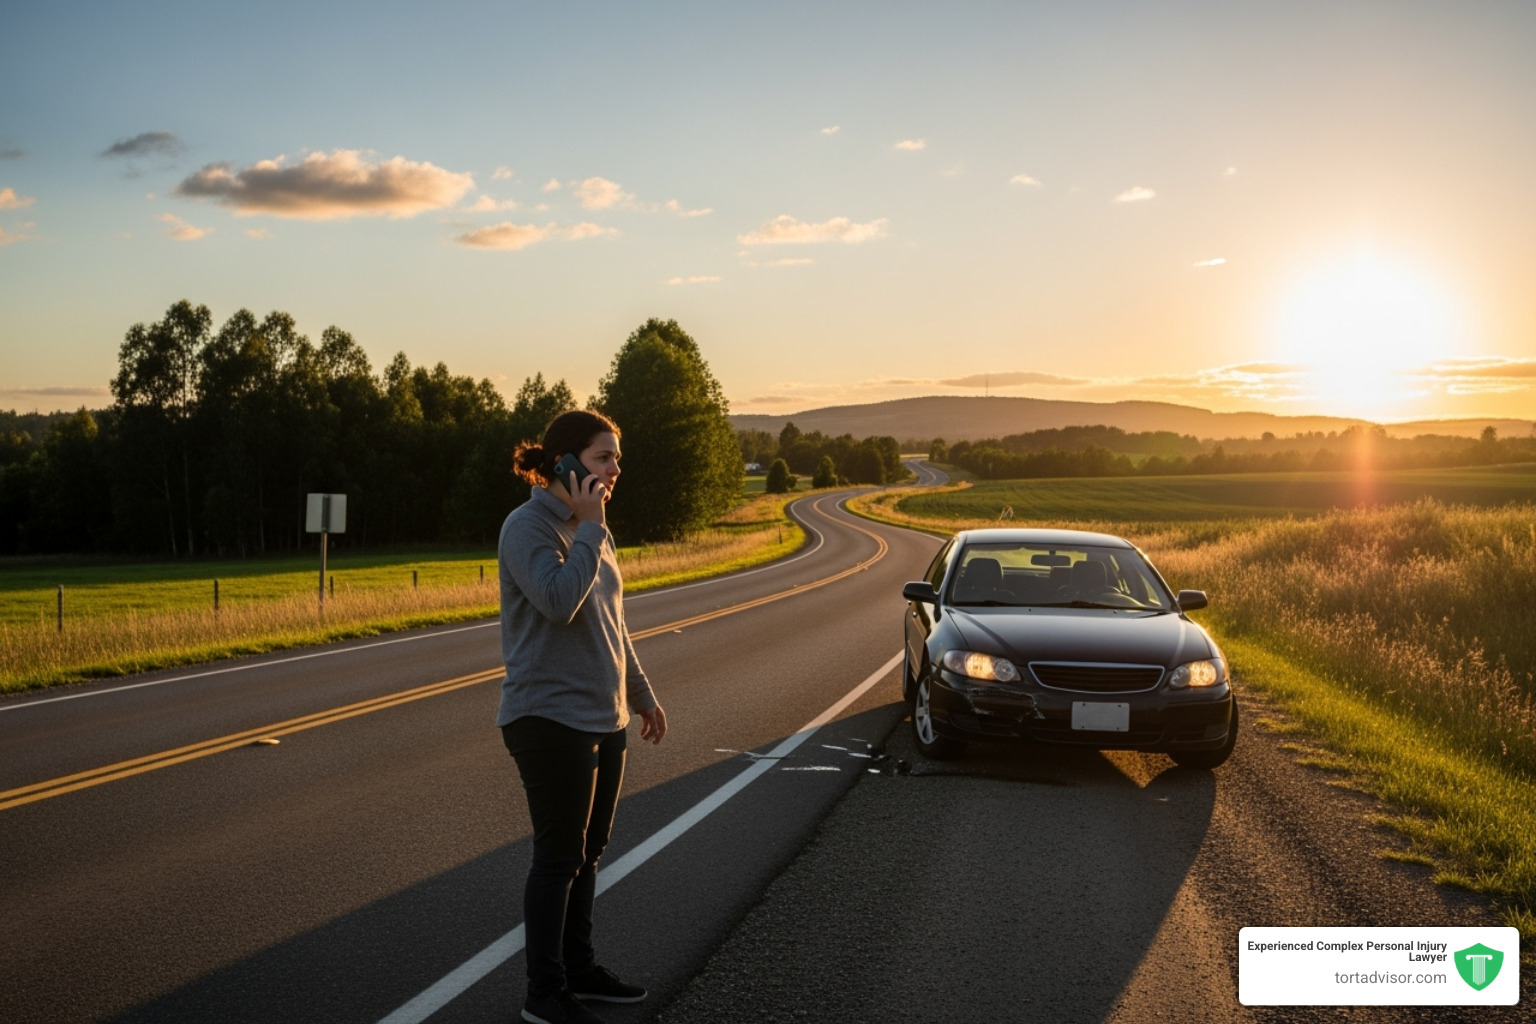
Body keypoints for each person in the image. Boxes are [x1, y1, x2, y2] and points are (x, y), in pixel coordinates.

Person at [498, 409, 667, 1024]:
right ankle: (544, 993)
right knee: (559, 856)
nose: (615, 469)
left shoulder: (594, 528)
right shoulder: (527, 527)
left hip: (604, 715)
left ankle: (580, 969)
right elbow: (559, 603)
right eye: (603, 458)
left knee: (590, 852)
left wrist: (642, 693)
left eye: (616, 458)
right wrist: (592, 530)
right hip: (547, 717)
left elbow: (612, 625)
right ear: (565, 464)